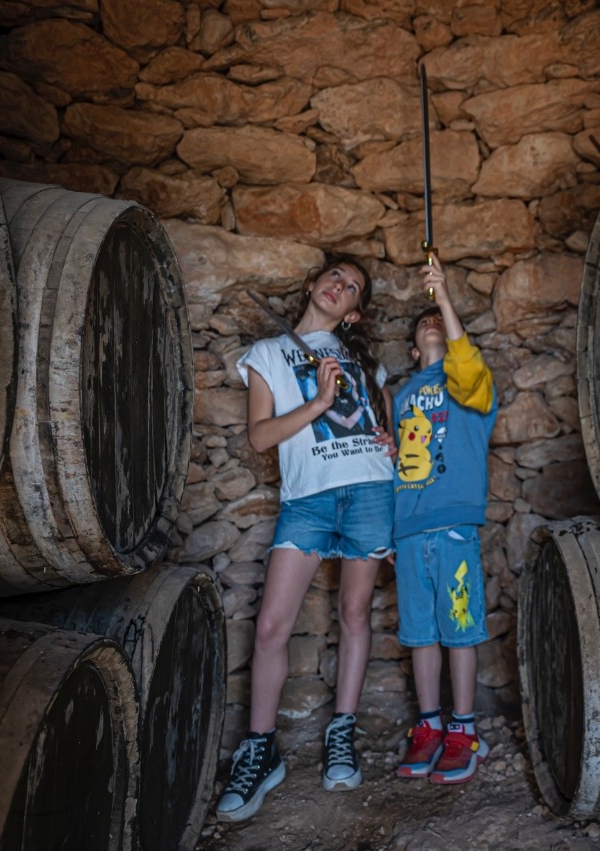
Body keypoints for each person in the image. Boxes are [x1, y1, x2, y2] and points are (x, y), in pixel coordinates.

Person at [217, 255, 395, 823]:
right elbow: (261, 436)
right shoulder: (270, 353)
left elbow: (382, 427)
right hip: (309, 501)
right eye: (335, 277)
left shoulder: (365, 362)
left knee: (354, 611)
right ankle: (261, 748)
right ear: (314, 285)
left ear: (353, 313)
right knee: (271, 625)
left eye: (352, 288)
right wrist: (317, 404)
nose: (340, 287)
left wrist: (388, 442)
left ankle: (340, 732)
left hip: (369, 491)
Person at [391, 256, 497, 784]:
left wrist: (445, 300)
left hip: (454, 526)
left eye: (437, 321)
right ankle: (429, 726)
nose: (430, 323)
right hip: (410, 531)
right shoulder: (402, 396)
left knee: (460, 629)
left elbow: (467, 364)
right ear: (413, 352)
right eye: (423, 325)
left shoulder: (469, 382)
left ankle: (464, 731)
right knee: (419, 632)